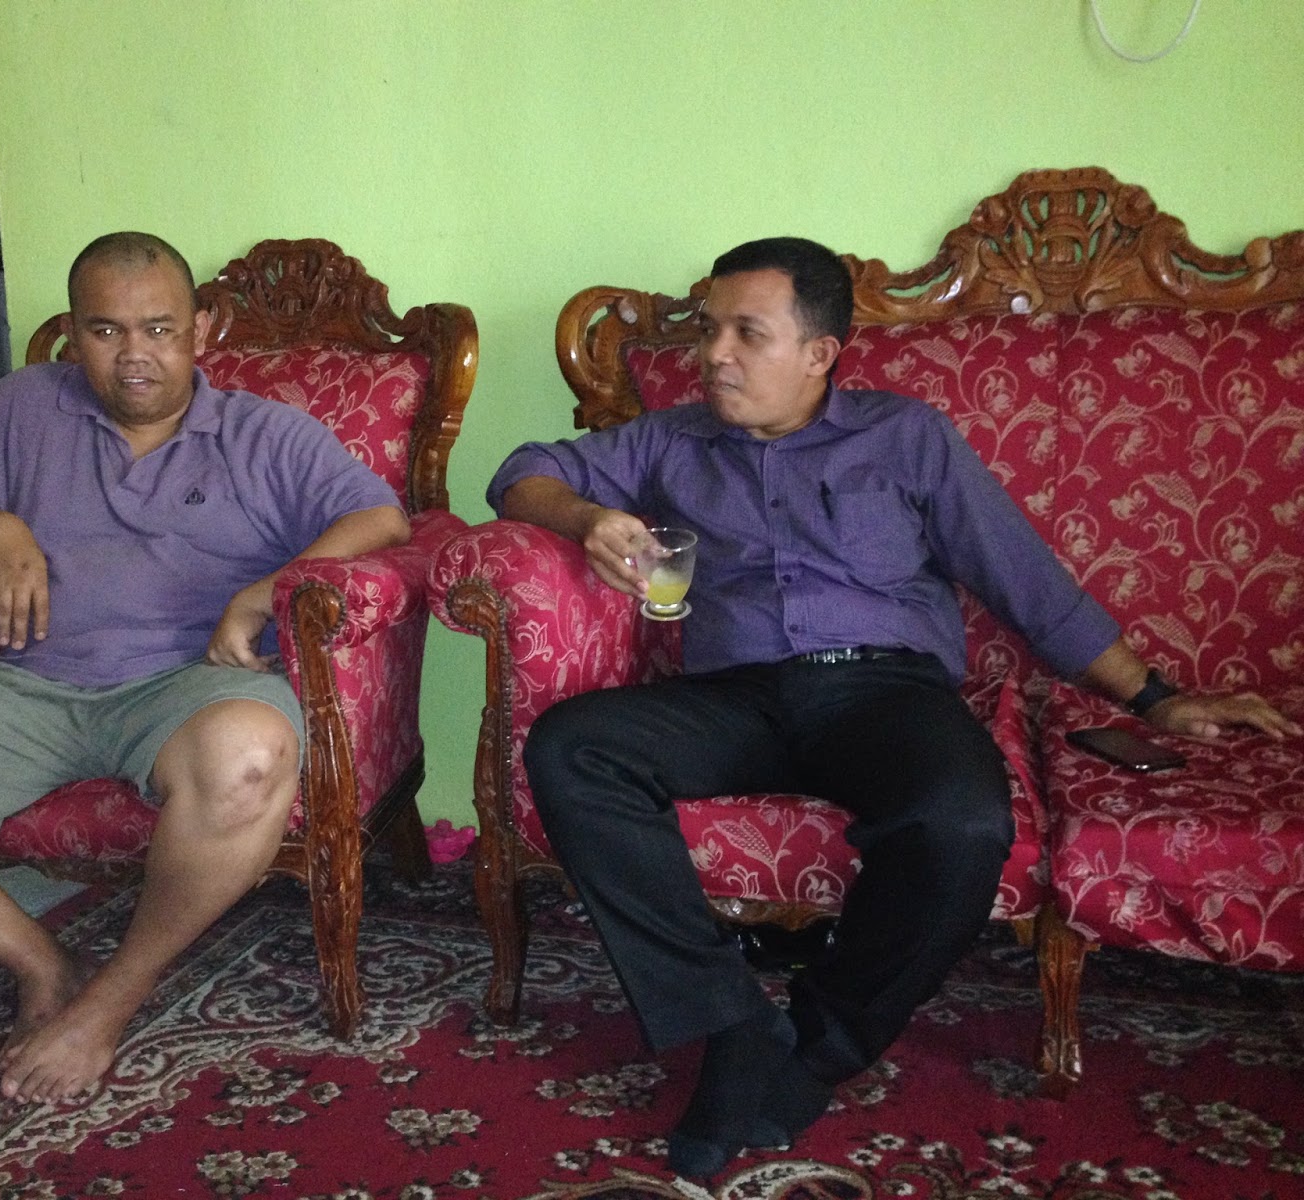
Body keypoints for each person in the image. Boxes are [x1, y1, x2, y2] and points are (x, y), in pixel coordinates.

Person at [488, 237, 1301, 1180]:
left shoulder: (905, 436)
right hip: (736, 697)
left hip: (883, 692)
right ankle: (732, 1025)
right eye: (709, 331)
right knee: (572, 747)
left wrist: (1155, 699)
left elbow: (1023, 578)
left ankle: (821, 1046)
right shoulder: (672, 438)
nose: (713, 354)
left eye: (747, 333)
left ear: (820, 353)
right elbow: (520, 470)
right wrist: (588, 519)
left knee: (961, 819)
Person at [0, 232, 410, 1106]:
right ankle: (43, 961)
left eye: (159, 329)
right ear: (73, 332)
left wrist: (267, 589)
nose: (134, 354)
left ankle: (112, 997)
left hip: (189, 687)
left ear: (201, 330)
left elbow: (379, 517)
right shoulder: (21, 405)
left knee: (251, 753)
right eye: (106, 331)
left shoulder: (263, 433)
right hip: (27, 683)